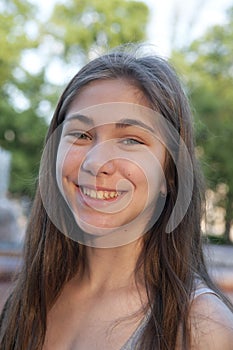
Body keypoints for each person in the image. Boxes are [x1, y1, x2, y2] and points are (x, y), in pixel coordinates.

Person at [1, 45, 233, 350]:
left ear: (170, 173)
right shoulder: (28, 299)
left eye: (130, 140)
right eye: (81, 135)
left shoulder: (201, 328)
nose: (95, 163)